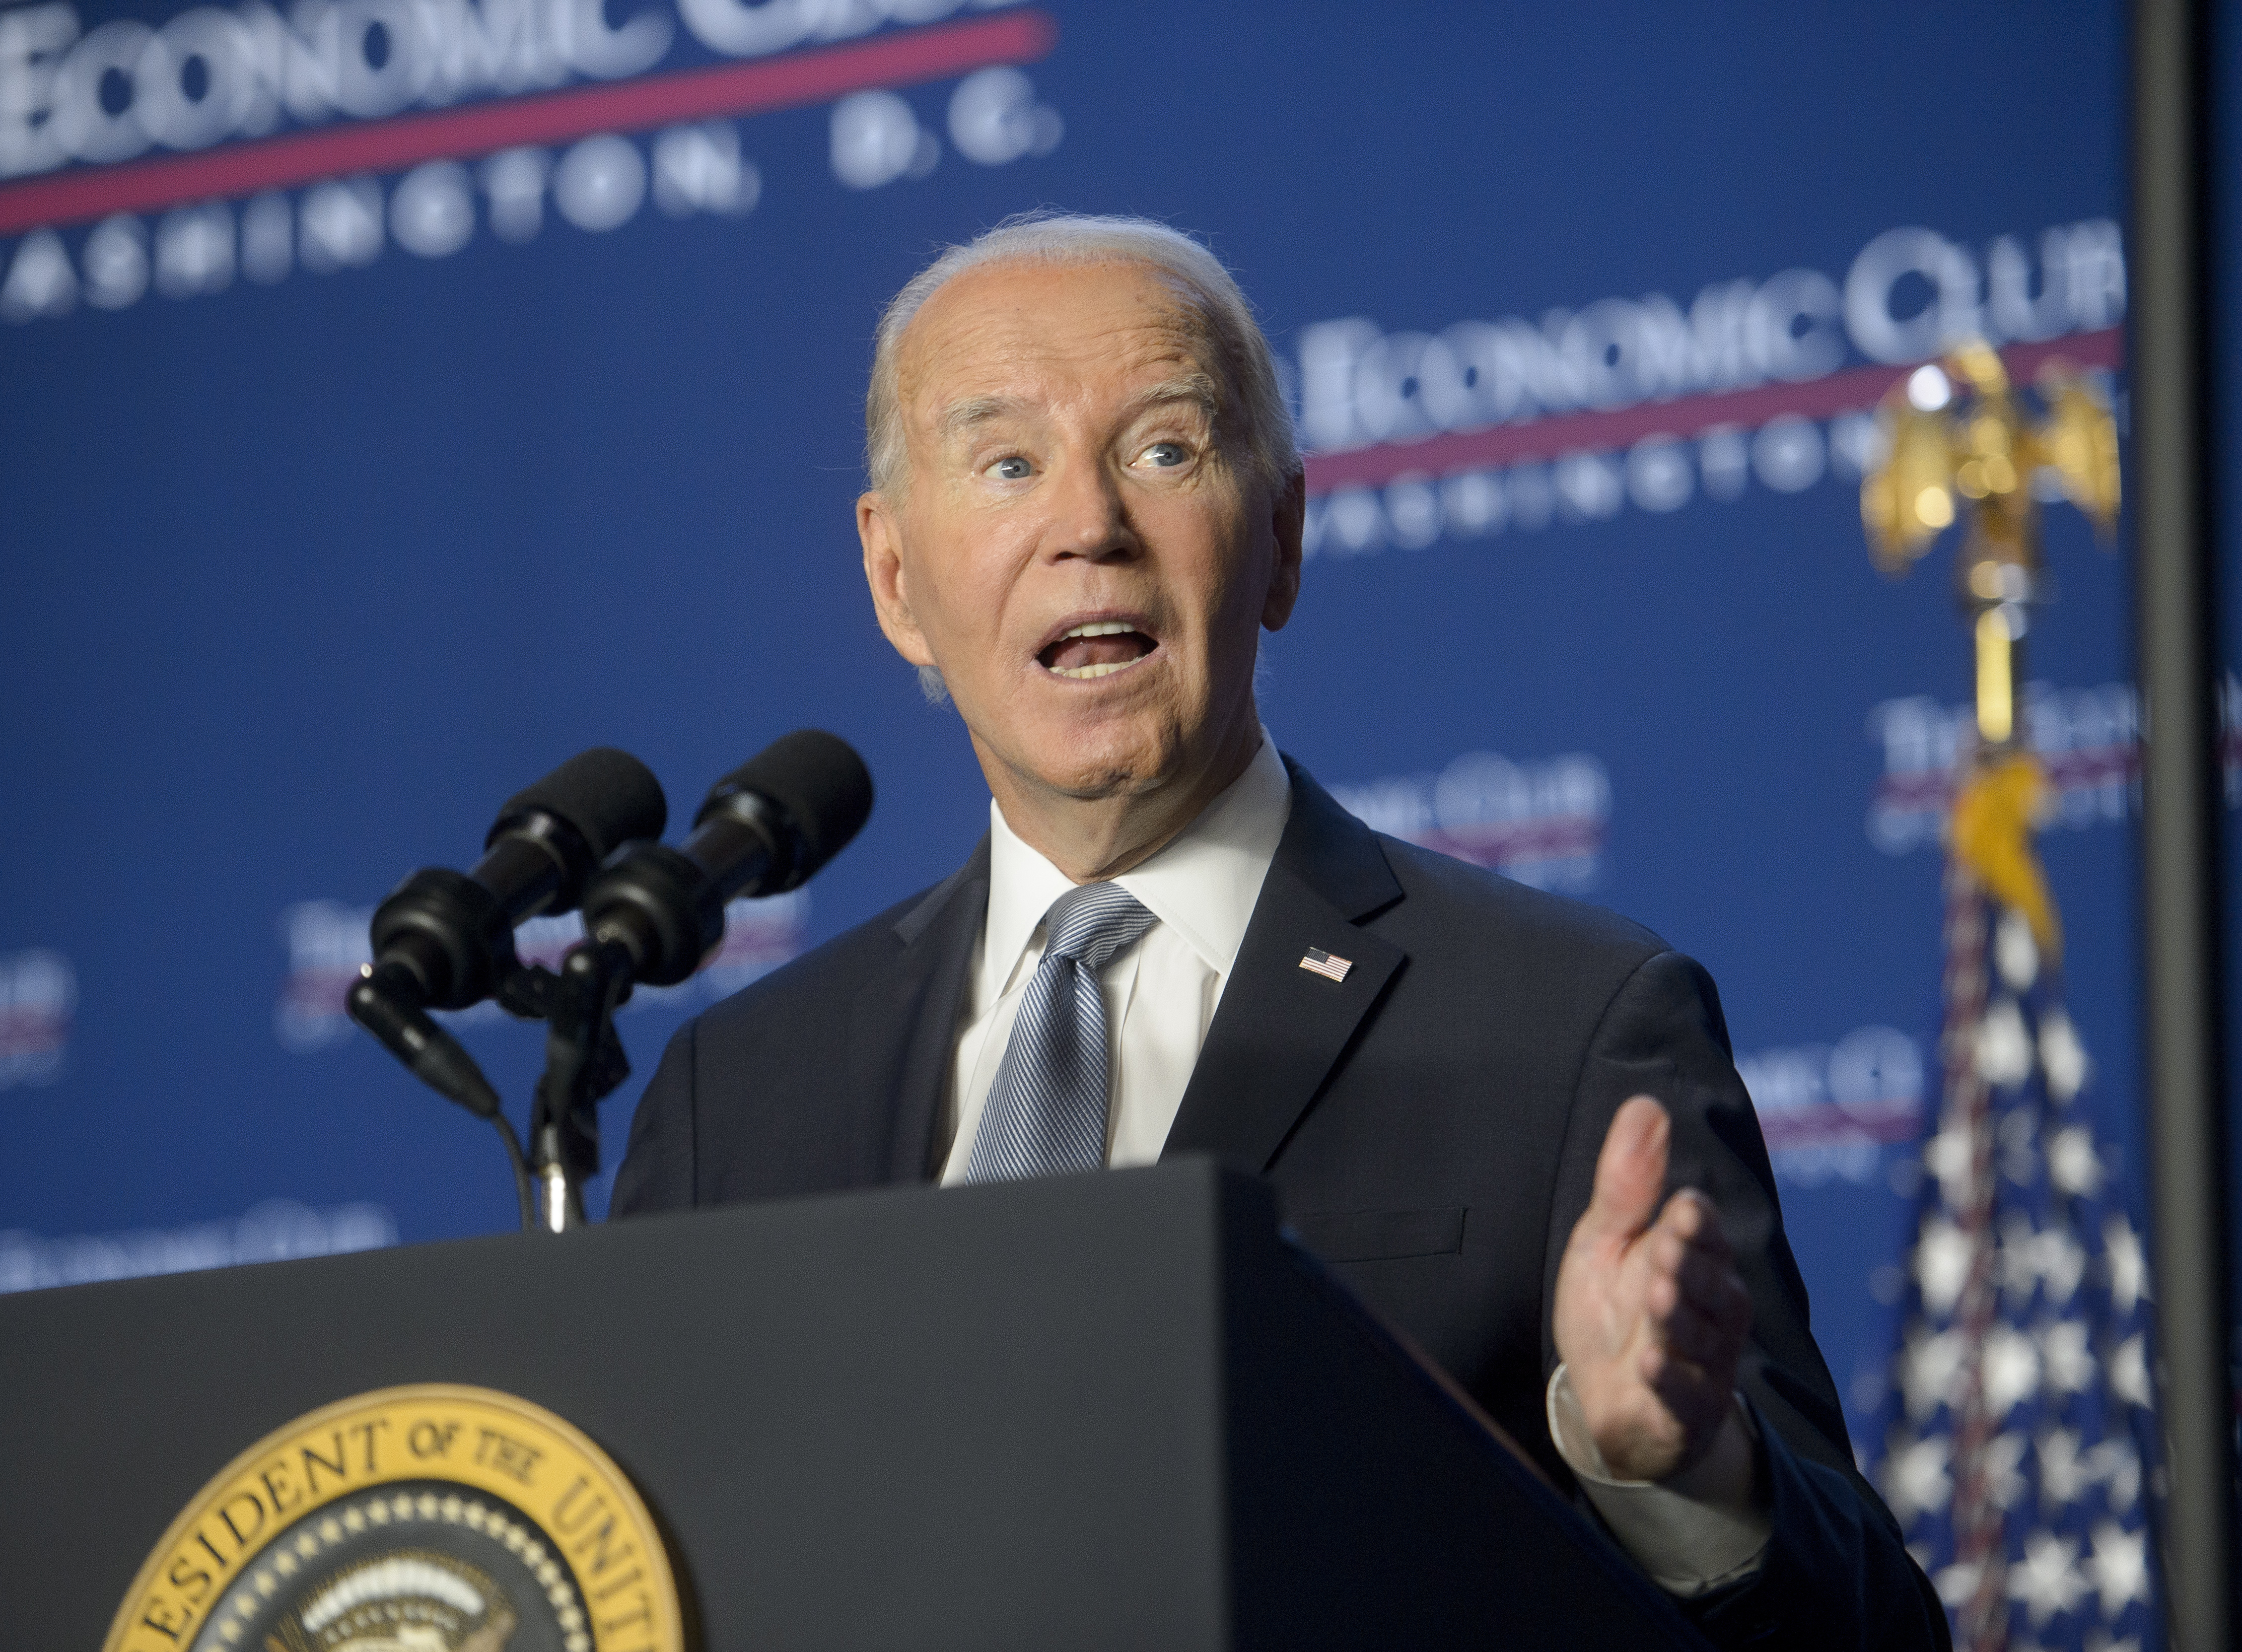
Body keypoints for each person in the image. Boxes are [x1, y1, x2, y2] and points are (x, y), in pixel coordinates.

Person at [610, 213, 1945, 1649]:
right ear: (895, 582)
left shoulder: (1569, 1024)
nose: (1089, 526)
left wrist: (1672, 1470)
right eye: (1006, 463)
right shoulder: (733, 1098)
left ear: (1285, 538)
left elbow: (1867, 1635)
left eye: (1165, 450)